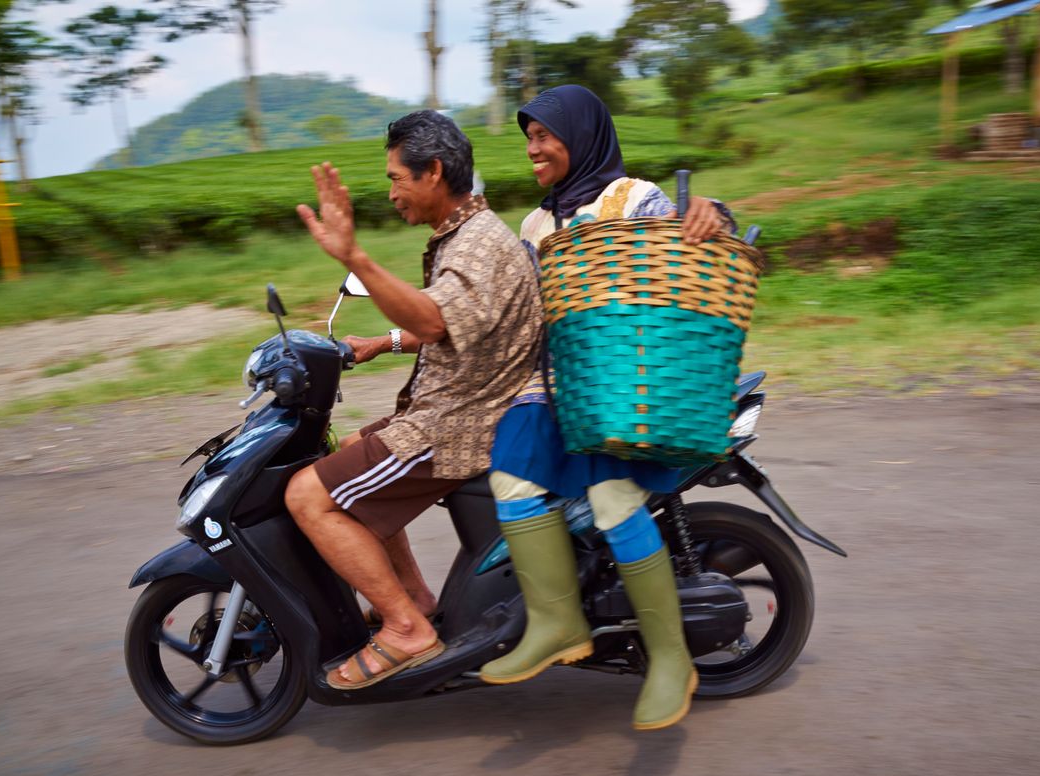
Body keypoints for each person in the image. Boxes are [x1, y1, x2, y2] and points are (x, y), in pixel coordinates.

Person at [478, 85, 733, 730]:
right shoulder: (536, 224)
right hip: (557, 387)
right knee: (508, 471)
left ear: (582, 135)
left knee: (615, 499)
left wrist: (713, 214)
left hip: (623, 387)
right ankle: (557, 620)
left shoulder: (632, 198)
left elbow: (692, 244)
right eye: (527, 138)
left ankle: (672, 658)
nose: (533, 149)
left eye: (545, 136)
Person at [286, 110, 542, 690]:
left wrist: (356, 258)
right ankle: (417, 598)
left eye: (396, 177)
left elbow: (430, 316)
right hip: (453, 408)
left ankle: (405, 629)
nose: (392, 191)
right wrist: (381, 342)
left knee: (307, 495)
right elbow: (447, 323)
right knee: (351, 445)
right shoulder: (463, 234)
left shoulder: (478, 244)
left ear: (432, 173)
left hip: (461, 427)